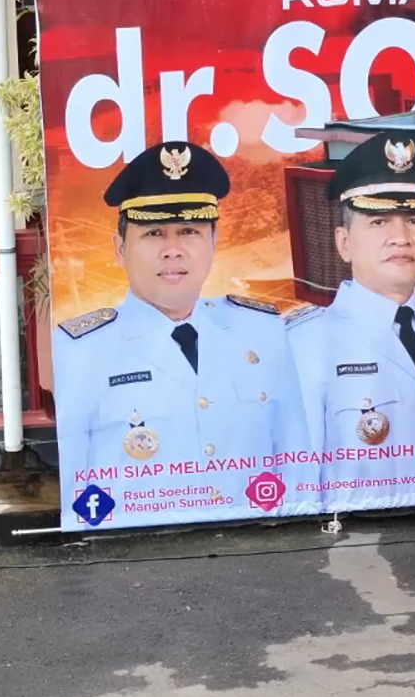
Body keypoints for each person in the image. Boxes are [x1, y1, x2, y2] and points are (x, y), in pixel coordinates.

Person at [51, 141, 313, 528]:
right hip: (143, 555)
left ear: (213, 242)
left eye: (189, 231)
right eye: (153, 234)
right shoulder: (82, 349)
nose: (172, 250)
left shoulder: (262, 331)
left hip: (258, 550)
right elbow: (76, 481)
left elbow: (296, 459)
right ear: (120, 249)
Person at [286, 132, 415, 512]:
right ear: (344, 242)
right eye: (379, 221)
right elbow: (296, 489)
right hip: (359, 553)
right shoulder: (303, 345)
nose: (400, 237)